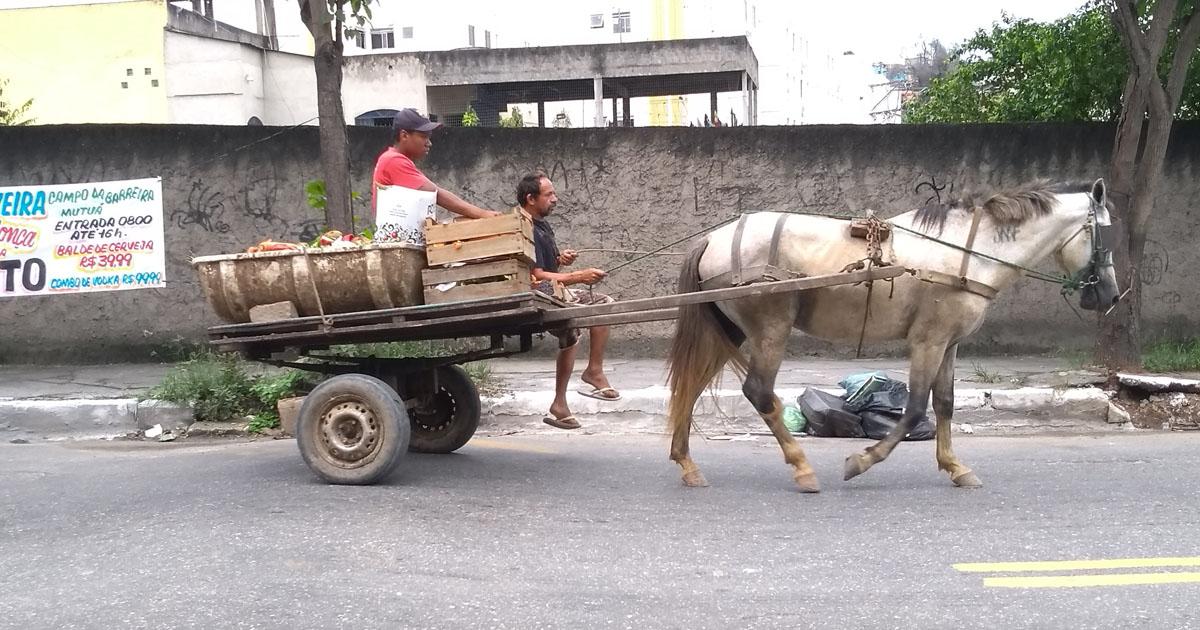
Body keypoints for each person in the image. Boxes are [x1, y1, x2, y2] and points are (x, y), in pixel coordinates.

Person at [516, 172, 621, 431]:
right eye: (549, 194)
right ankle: (583, 381)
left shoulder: (540, 224)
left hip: (551, 288)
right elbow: (536, 275)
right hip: (539, 292)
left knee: (601, 306)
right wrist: (578, 276)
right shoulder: (524, 226)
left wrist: (561, 258)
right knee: (579, 320)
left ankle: (578, 386)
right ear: (531, 198)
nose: (555, 199)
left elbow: (542, 261)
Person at [373, 108, 500, 221]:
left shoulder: (394, 159)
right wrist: (483, 214)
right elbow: (436, 194)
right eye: (424, 136)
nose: (429, 143)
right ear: (404, 135)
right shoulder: (394, 161)